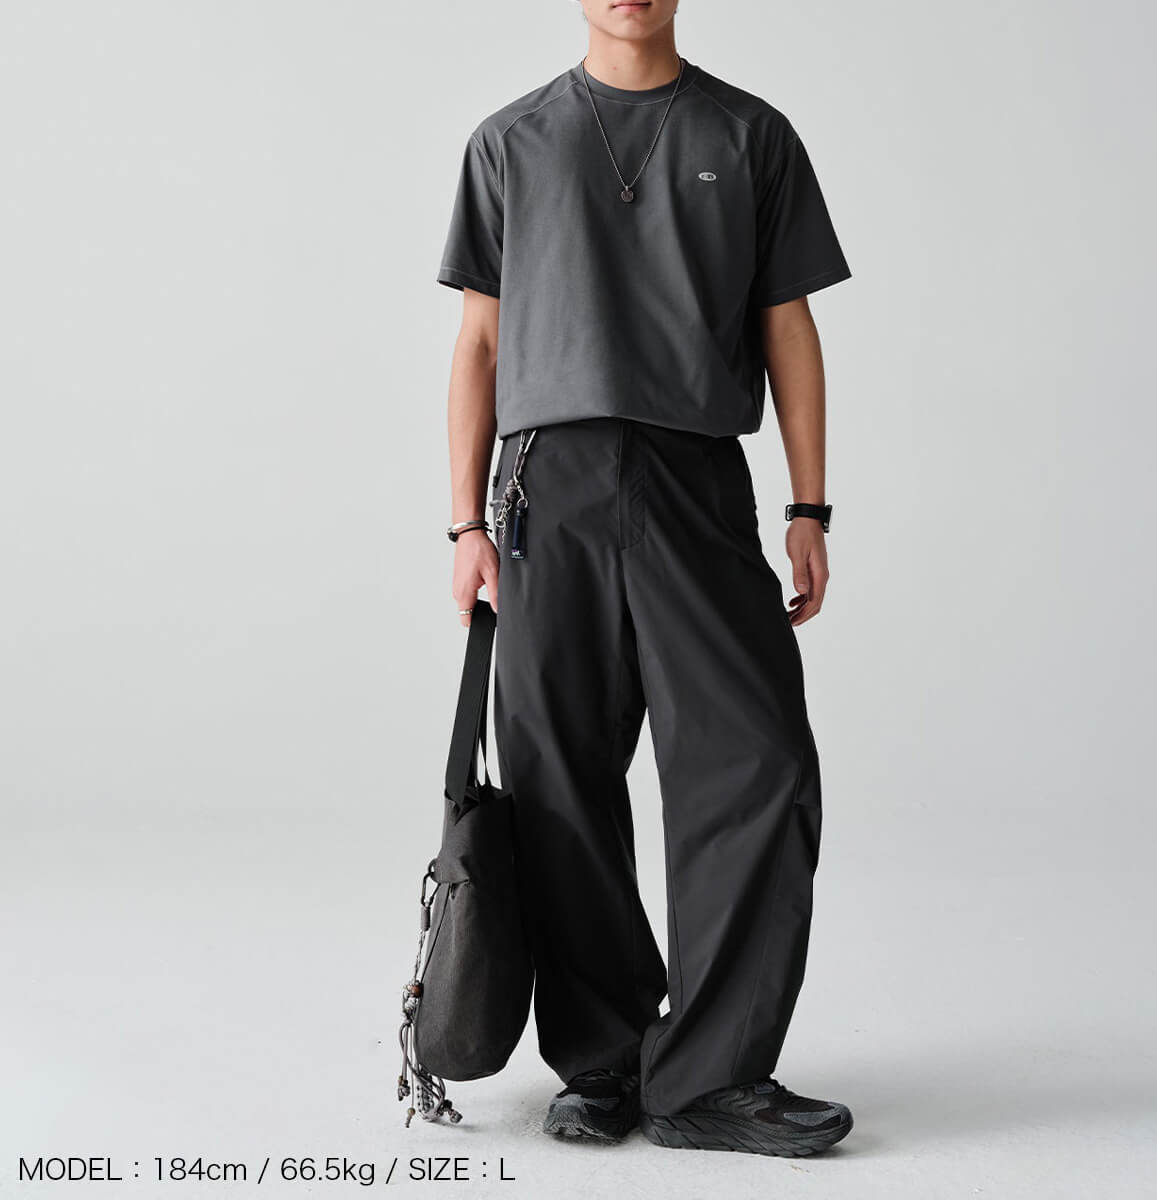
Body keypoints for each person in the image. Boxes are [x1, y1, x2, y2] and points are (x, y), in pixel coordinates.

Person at [436, 0, 853, 1159]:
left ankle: (709, 1075)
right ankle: (605, 1061)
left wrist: (809, 506)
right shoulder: (509, 141)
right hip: (547, 483)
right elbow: (480, 342)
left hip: (695, 475)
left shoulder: (750, 134)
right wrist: (464, 523)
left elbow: (787, 325)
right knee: (559, 773)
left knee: (757, 761)